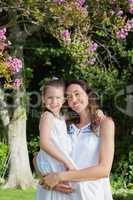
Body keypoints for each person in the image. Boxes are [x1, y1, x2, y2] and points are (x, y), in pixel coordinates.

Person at [42, 80, 115, 200]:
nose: (73, 100)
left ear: (88, 95)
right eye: (69, 97)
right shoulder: (63, 124)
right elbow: (40, 156)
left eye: (77, 94)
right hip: (65, 194)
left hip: (93, 194)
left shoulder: (104, 123)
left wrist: (61, 176)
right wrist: (46, 179)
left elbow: (104, 170)